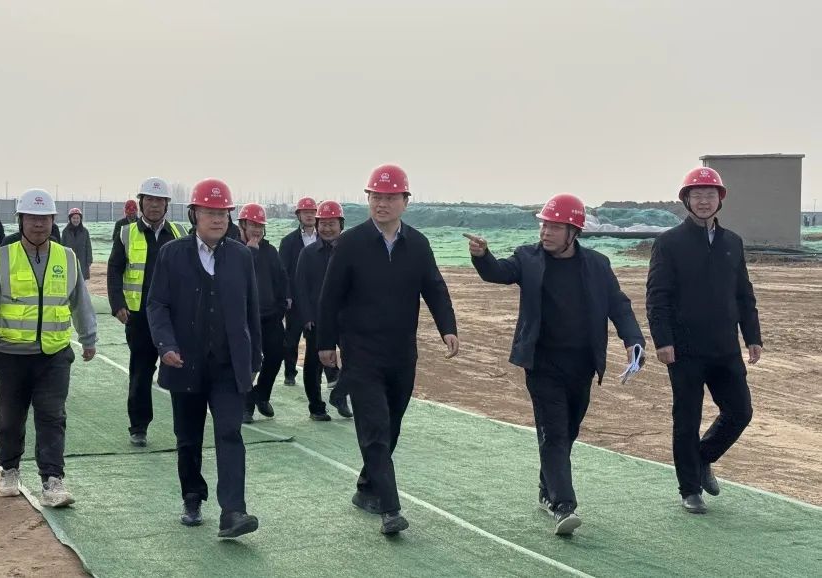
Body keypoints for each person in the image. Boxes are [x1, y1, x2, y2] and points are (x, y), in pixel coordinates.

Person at [468, 193, 646, 536]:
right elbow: (498, 272)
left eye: (554, 227)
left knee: (568, 431)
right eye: (544, 225)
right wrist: (482, 256)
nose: (546, 232)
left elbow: (619, 305)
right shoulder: (527, 258)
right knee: (555, 432)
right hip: (542, 363)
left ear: (573, 232)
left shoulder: (597, 265)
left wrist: (633, 341)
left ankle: (546, 486)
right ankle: (564, 505)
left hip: (582, 364)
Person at [317, 164, 458, 535]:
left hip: (401, 353)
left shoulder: (418, 244)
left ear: (405, 202)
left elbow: (435, 287)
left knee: (391, 424)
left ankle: (367, 487)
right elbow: (330, 296)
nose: (381, 203)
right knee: (375, 427)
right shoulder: (351, 243)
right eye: (375, 197)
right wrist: (325, 343)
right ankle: (390, 509)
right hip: (361, 352)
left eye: (390, 197)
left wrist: (448, 329)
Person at [0, 189, 97, 508]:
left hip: (54, 355)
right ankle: (9, 469)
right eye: (32, 218)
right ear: (21, 220)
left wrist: (88, 337)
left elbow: (80, 301)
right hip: (12, 355)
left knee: (52, 416)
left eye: (44, 219)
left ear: (53, 221)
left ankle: (52, 480)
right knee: (9, 418)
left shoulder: (67, 258)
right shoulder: (2, 258)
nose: (39, 224)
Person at [147, 178, 261, 539]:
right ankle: (193, 497)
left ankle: (233, 512)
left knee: (230, 432)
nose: (217, 219)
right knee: (188, 437)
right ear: (194, 214)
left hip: (228, 366)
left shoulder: (241, 257)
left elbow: (251, 311)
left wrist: (254, 359)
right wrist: (166, 345)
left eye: (223, 213)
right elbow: (157, 304)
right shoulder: (172, 254)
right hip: (185, 363)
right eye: (210, 212)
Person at [646, 167, 762, 515]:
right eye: (696, 195)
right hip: (684, 350)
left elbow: (743, 294)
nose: (703, 201)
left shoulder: (732, 243)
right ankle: (690, 489)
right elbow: (657, 296)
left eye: (710, 195)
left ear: (719, 200)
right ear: (686, 200)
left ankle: (702, 458)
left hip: (725, 347)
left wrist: (752, 336)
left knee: (740, 411)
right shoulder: (669, 243)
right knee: (687, 419)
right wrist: (663, 341)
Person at [107, 177, 188, 446]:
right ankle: (138, 427)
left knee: (178, 372)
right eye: (149, 200)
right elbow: (114, 269)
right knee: (141, 372)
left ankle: (183, 429)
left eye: (159, 200)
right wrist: (117, 303)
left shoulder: (180, 232)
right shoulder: (126, 233)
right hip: (139, 317)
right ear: (141, 203)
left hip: (173, 317)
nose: (154, 205)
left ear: (167, 205)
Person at [294, 200, 351, 420]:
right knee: (313, 365)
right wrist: (307, 317)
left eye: (332, 224)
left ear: (341, 225)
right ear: (317, 225)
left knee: (354, 360)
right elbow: (300, 288)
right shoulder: (308, 254)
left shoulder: (350, 251)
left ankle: (340, 395)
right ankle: (316, 407)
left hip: (345, 318)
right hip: (317, 320)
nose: (327, 229)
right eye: (323, 224)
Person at [237, 203, 288, 424]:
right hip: (245, 318)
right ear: (242, 225)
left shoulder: (270, 250)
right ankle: (246, 405)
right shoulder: (233, 249)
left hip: (270, 316)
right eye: (253, 225)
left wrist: (283, 302)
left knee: (276, 355)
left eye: (260, 226)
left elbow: (281, 278)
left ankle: (262, 394)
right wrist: (251, 251)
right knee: (249, 362)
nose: (257, 230)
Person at [279, 197, 319, 386]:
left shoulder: (324, 239)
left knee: (317, 339)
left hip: (316, 299)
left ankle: (323, 375)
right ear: (299, 216)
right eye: (305, 212)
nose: (309, 216)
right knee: (291, 339)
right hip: (295, 300)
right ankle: (290, 373)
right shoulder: (288, 242)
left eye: (312, 212)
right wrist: (287, 295)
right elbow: (283, 272)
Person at [61, 208, 93, 280]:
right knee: (70, 279)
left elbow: (88, 246)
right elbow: (62, 246)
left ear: (80, 219)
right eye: (74, 218)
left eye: (78, 218)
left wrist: (89, 259)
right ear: (70, 219)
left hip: (82, 260)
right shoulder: (65, 231)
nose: (76, 220)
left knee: (82, 280)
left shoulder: (85, 231)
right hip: (69, 259)